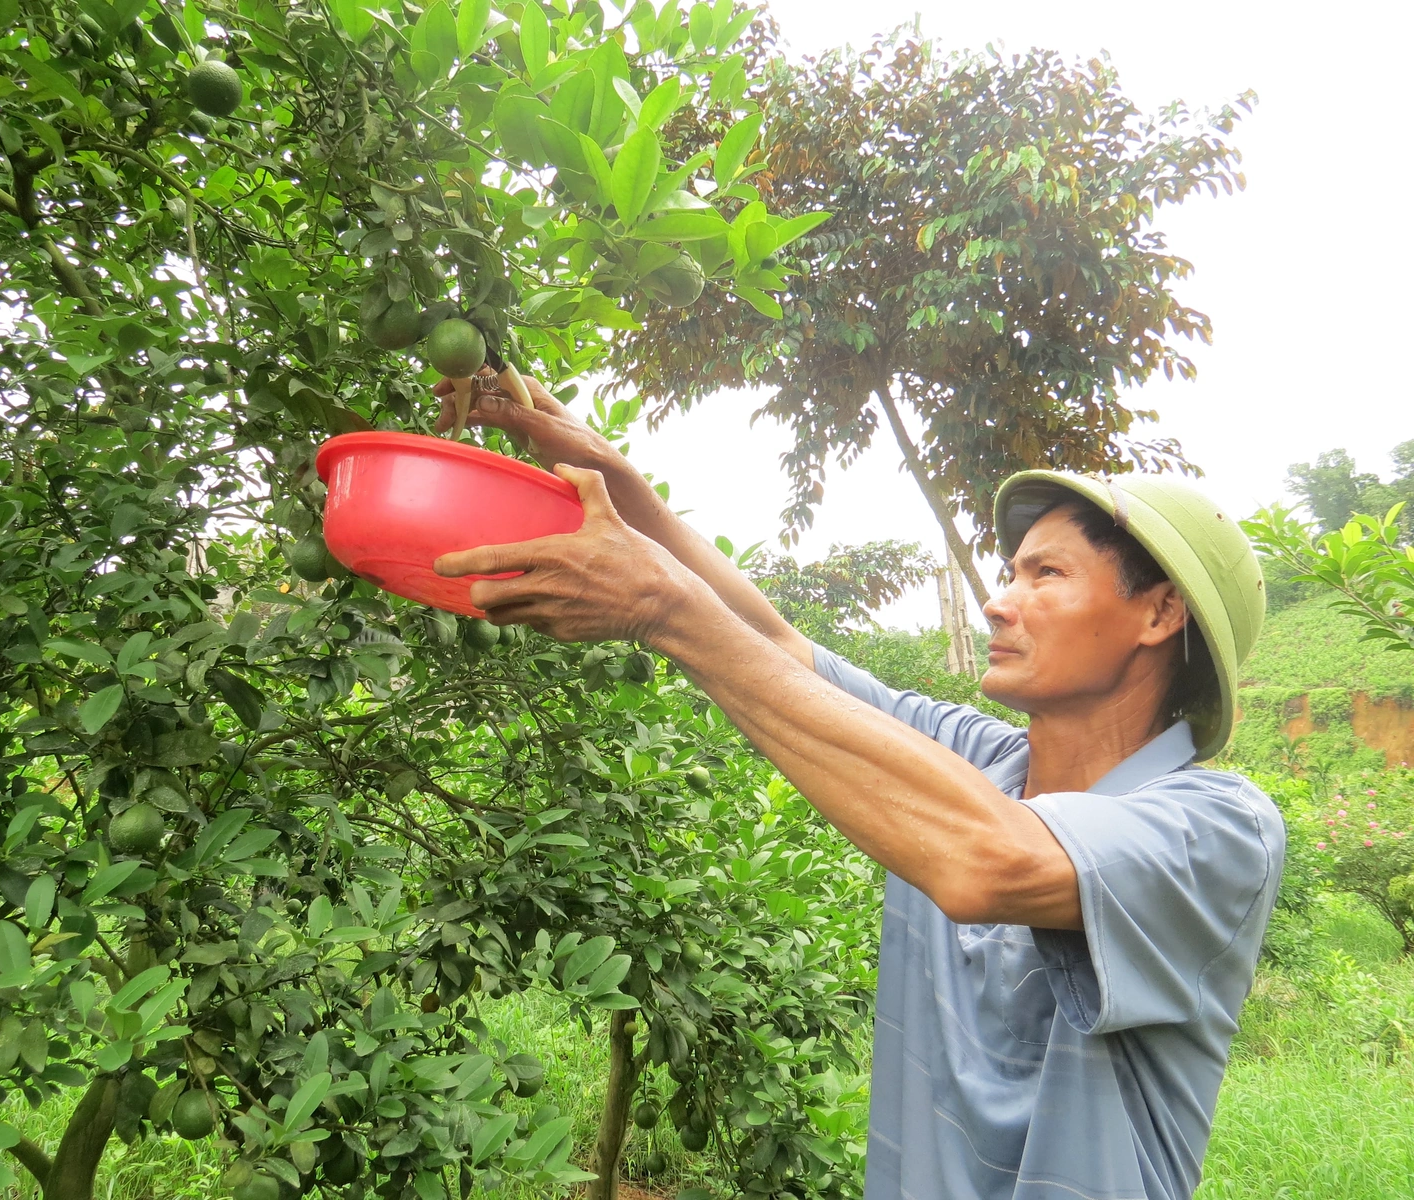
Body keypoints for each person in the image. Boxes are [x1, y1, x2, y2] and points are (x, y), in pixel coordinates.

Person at [433, 378, 1284, 1200]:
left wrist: (665, 614)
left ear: (1159, 613)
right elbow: (770, 642)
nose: (997, 603)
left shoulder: (1218, 830)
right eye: (1009, 573)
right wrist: (612, 475)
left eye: (1045, 576)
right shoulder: (974, 758)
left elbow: (986, 862)